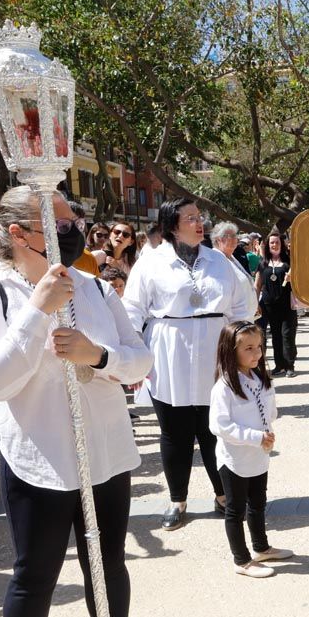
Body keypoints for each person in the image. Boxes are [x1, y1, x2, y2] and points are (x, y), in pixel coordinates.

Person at [0, 185, 154, 617]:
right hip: (38, 458)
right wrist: (36, 312)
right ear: (18, 232)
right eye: (61, 224)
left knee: (107, 566)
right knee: (35, 576)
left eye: (73, 222)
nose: (73, 232)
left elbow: (139, 356)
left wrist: (99, 356)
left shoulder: (94, 286)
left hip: (104, 450)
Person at [124, 198, 252, 531]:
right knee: (175, 433)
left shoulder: (219, 262)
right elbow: (131, 313)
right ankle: (177, 500)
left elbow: (240, 308)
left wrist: (241, 351)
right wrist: (133, 360)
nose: (200, 224)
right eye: (190, 218)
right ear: (171, 225)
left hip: (214, 351)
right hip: (169, 354)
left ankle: (223, 495)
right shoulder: (151, 263)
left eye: (200, 217)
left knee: (215, 430)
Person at [209, 321, 293, 578]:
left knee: (258, 502)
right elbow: (220, 426)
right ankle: (241, 559)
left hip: (258, 455)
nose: (256, 353)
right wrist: (256, 436)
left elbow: (269, 408)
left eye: (259, 347)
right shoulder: (224, 387)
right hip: (235, 458)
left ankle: (261, 546)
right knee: (236, 509)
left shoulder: (258, 377)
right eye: (248, 348)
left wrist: (266, 432)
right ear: (230, 350)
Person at [254, 231, 298, 377]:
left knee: (287, 335)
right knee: (275, 335)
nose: (274, 245)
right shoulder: (263, 263)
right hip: (268, 306)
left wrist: (294, 279)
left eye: (277, 242)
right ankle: (279, 365)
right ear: (268, 245)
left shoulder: (289, 262)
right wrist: (255, 303)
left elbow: (301, 282)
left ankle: (289, 365)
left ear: (282, 244)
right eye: (272, 242)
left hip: (287, 305)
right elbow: (257, 284)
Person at [210, 222, 257, 305]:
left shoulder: (232, 257)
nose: (235, 239)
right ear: (218, 239)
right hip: (232, 315)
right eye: (230, 236)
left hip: (246, 314)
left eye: (235, 235)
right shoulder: (216, 260)